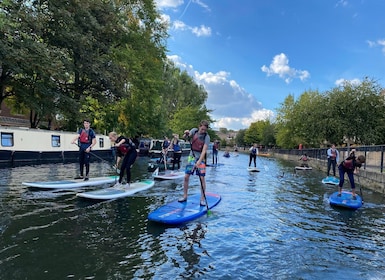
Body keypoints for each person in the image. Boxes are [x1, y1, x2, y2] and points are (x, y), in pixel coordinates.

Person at [178, 120, 210, 206]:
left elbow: (204, 151)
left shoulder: (207, 137)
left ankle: (202, 199)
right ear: (199, 126)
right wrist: (186, 133)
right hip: (191, 157)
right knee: (186, 177)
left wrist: (199, 161)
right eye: (202, 129)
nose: (203, 131)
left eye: (205, 130)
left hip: (201, 158)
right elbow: (185, 137)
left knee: (202, 178)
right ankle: (185, 196)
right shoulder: (194, 131)